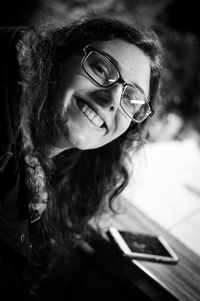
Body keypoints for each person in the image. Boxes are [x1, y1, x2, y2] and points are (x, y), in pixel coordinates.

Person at [0, 16, 163, 297]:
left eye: (132, 100)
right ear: (58, 56)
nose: (112, 98)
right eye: (102, 69)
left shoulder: (56, 190)